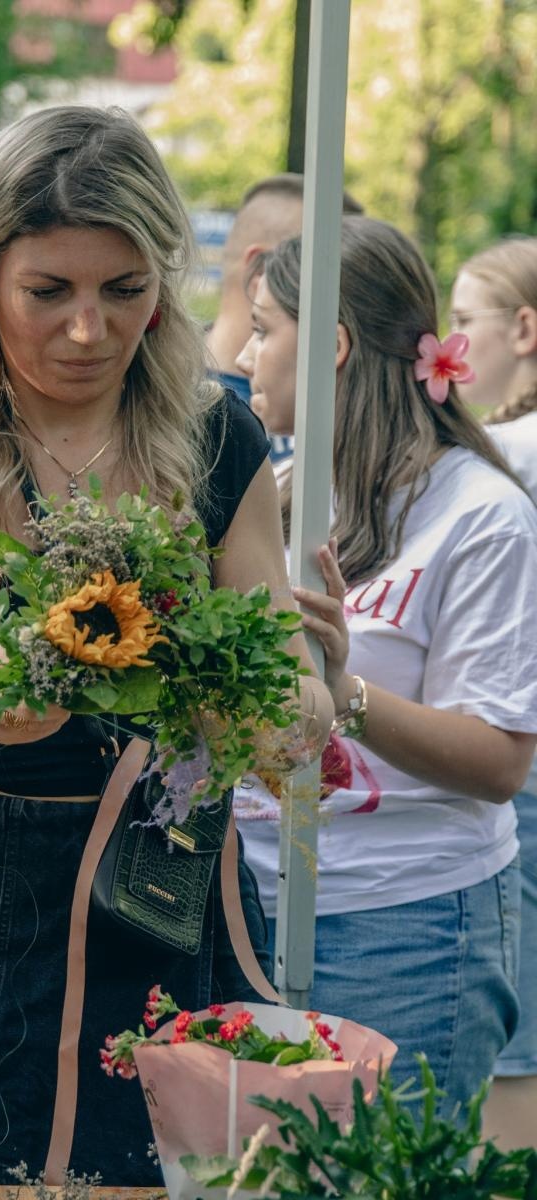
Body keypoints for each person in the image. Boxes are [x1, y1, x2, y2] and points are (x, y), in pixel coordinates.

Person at [0, 106, 333, 1186]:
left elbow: (288, 711)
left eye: (124, 291)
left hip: (158, 904)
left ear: (164, 287)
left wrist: (297, 702)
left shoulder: (214, 439)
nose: (88, 330)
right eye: (48, 292)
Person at [233, 215, 537, 1117]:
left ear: (328, 344)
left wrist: (345, 694)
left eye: (262, 328)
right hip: (251, 911)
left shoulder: (480, 514)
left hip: (406, 932)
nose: (246, 355)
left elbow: (498, 762)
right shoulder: (276, 500)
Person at [450, 237, 537, 1149]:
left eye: (465, 322)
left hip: (517, 773)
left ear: (524, 328)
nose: (452, 350)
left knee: (515, 1061)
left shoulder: (511, 455)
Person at [205, 174, 363, 462]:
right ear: (260, 271)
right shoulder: (158, 392)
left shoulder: (348, 400)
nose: (348, 293)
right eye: (330, 272)